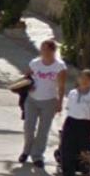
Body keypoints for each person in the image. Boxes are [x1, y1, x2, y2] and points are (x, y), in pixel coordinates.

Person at [18, 39, 66, 169]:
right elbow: (27, 77)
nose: (43, 51)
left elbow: (61, 87)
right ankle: (26, 151)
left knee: (43, 131)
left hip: (49, 101)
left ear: (52, 51)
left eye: (45, 49)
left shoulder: (59, 67)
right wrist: (28, 85)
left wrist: (60, 102)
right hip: (32, 100)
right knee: (28, 127)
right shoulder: (35, 63)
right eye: (42, 49)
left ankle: (37, 156)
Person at [56, 69, 90, 176]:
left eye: (88, 79)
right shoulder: (72, 93)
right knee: (67, 149)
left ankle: (85, 170)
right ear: (78, 79)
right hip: (71, 122)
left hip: (85, 124)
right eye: (82, 78)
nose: (84, 81)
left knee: (84, 150)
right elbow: (69, 110)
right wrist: (64, 126)